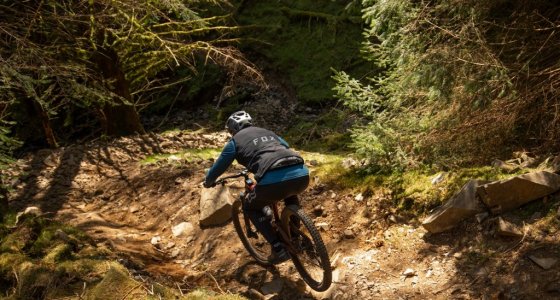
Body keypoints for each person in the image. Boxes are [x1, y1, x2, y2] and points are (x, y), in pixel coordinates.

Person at [203, 111, 309, 263]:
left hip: (273, 179)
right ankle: (295, 237)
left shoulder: (235, 142)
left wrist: (208, 181)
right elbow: (285, 145)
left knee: (249, 207)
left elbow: (219, 166)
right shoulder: (268, 132)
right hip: (301, 173)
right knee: (290, 195)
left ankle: (278, 248)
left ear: (232, 129)